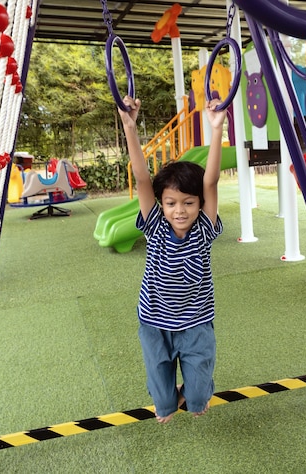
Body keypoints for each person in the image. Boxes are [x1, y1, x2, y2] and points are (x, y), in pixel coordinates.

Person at [118, 95, 227, 423]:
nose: (179, 210)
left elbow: (211, 180)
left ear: (199, 204)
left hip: (195, 323)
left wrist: (216, 128)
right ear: (162, 204)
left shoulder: (204, 229)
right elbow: (141, 178)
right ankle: (168, 395)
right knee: (164, 407)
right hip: (154, 322)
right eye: (171, 203)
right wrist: (129, 128)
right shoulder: (154, 224)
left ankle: (194, 387)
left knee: (196, 400)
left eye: (188, 203)